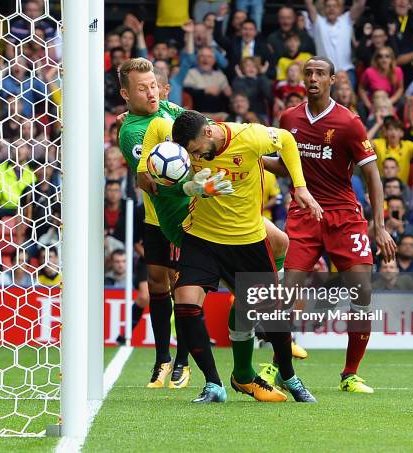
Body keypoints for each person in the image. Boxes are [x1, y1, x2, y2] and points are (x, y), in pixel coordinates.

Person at [263, 56, 396, 394]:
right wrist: (253, 157)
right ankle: (279, 366)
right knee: (286, 292)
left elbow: (372, 174)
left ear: (332, 80)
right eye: (308, 73)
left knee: (362, 289)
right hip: (304, 214)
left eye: (320, 73)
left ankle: (350, 373)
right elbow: (284, 166)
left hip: (343, 216)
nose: (313, 78)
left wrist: (379, 225)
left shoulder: (349, 122)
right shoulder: (288, 118)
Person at [169, 109, 321, 403]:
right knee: (186, 303)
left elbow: (287, 140)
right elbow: (166, 182)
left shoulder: (249, 136)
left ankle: (287, 376)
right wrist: (193, 187)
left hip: (247, 240)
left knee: (271, 315)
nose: (196, 155)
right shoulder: (183, 150)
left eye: (197, 149)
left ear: (208, 132)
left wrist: (299, 187)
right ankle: (213, 385)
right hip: (202, 236)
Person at [117, 58, 230, 389]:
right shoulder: (132, 132)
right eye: (142, 88)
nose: (151, 93)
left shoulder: (169, 108)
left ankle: (182, 360)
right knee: (156, 283)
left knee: (185, 285)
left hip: (190, 214)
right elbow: (150, 180)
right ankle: (162, 358)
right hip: (158, 214)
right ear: (126, 93)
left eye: (153, 85)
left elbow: (204, 127)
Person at [304, 0, 366, 87]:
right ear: (324, 9)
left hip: (346, 71)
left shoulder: (346, 20)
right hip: (325, 72)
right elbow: (308, 3)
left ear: (340, 9)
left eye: (334, 6)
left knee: (348, 98)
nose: (331, 9)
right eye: (328, 6)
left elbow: (361, 3)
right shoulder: (318, 22)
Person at [183, 46, 232, 116]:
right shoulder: (191, 73)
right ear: (197, 59)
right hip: (197, 113)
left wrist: (226, 92)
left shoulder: (220, 76)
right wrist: (205, 90)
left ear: (214, 60)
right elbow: (187, 90)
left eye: (209, 56)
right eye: (202, 56)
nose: (205, 59)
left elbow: (227, 94)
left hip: (218, 113)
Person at [370, 116, 413, 184]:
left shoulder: (408, 146)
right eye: (390, 129)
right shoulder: (379, 143)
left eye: (396, 129)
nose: (393, 132)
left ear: (402, 133)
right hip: (381, 186)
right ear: (386, 133)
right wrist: (378, 124)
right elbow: (364, 143)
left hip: (401, 189)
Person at [358, 47, 404, 111]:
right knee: (360, 106)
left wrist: (391, 101)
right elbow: (361, 88)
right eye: (380, 56)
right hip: (373, 102)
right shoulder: (369, 72)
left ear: (391, 59)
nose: (384, 59)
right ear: (376, 59)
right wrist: (369, 105)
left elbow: (400, 88)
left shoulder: (397, 71)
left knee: (402, 102)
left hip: (390, 100)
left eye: (387, 56)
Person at [231, 57, 271, 123]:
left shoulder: (261, 79)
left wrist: (262, 75)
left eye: (254, 66)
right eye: (248, 66)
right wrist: (241, 78)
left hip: (260, 115)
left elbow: (268, 94)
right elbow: (244, 94)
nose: (251, 68)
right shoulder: (238, 80)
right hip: (242, 115)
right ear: (242, 69)